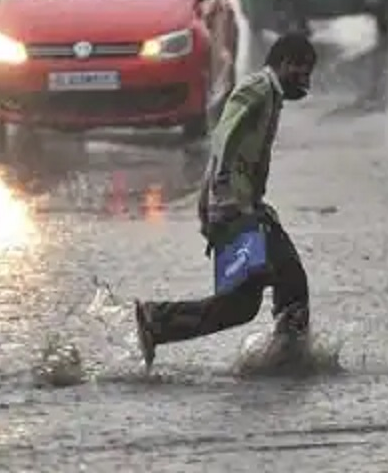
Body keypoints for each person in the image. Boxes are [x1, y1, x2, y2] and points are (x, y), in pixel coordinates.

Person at [134, 33, 317, 370]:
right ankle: (291, 354)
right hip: (236, 210)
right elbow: (224, 137)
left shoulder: (272, 97)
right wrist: (223, 198)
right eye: (302, 72)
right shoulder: (259, 88)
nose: (305, 83)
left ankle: (157, 321)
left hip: (242, 207)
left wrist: (218, 203)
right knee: (291, 275)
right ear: (285, 62)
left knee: (240, 307)